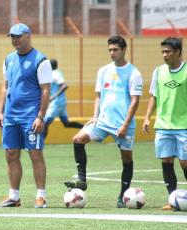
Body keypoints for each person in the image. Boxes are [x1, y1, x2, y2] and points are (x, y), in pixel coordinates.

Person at [64, 35, 143, 208]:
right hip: (103, 121)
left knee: (126, 159)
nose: (112, 53)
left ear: (123, 50)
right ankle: (82, 179)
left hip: (123, 125)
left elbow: (135, 101)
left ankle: (123, 195)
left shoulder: (133, 73)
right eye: (110, 50)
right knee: (78, 139)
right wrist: (95, 116)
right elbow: (98, 97)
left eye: (115, 50)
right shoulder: (103, 71)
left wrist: (125, 125)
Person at [0, 23, 52, 208]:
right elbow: (5, 87)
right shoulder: (8, 59)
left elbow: (45, 90)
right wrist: (0, 112)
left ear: (28, 36)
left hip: (30, 116)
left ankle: (41, 196)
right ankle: (14, 197)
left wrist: (40, 116)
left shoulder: (41, 60)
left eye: (18, 36)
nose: (15, 40)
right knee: (11, 154)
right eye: (12, 36)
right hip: (11, 115)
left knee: (35, 154)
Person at [142, 37, 187, 210]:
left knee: (185, 163)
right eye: (162, 52)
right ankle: (173, 200)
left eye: (167, 51)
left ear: (178, 52)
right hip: (163, 125)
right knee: (166, 160)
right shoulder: (159, 71)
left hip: (184, 126)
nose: (164, 55)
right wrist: (147, 117)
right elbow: (154, 96)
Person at [44, 59, 83, 138]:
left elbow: (64, 85)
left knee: (44, 123)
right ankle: (85, 127)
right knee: (66, 123)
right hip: (61, 102)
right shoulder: (58, 73)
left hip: (56, 103)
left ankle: (40, 146)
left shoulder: (55, 74)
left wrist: (54, 96)